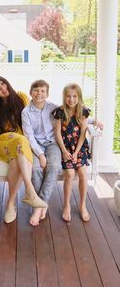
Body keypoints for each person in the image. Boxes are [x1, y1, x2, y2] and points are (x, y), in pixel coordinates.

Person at [0, 75, 47, 224]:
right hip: (3, 142)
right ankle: (30, 190)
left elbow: (34, 116)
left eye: (3, 83)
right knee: (21, 141)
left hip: (21, 143)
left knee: (18, 158)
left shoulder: (21, 97)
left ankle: (10, 204)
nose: (3, 88)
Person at [22, 79, 62, 226]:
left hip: (52, 144)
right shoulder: (26, 112)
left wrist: (92, 121)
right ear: (31, 92)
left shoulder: (53, 108)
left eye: (43, 90)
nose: (39, 93)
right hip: (35, 145)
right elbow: (29, 136)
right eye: (36, 90)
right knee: (36, 168)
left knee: (54, 167)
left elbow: (72, 114)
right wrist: (40, 154)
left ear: (47, 93)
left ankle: (40, 205)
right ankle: (40, 206)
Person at [53, 83, 91, 222]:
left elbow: (82, 133)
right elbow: (57, 132)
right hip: (65, 147)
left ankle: (82, 204)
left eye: (74, 96)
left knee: (82, 172)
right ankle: (66, 205)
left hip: (79, 147)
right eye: (68, 96)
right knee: (69, 173)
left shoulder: (84, 111)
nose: (71, 99)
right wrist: (64, 151)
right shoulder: (60, 112)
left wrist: (76, 152)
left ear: (79, 97)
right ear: (64, 97)